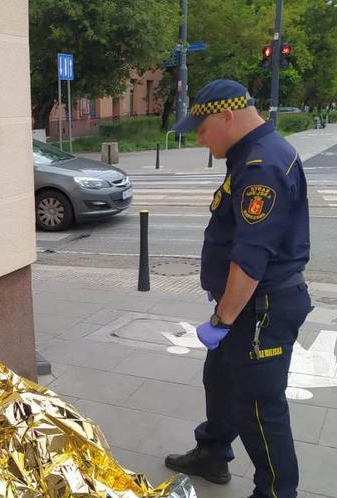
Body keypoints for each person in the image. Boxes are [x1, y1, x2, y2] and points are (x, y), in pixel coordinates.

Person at [164, 80, 312, 498]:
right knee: (221, 382)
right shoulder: (249, 154)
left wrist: (221, 319)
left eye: (202, 128)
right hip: (248, 308)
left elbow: (250, 260)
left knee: (261, 409)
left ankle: (276, 492)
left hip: (260, 309)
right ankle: (213, 453)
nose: (198, 137)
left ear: (227, 116)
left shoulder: (261, 167)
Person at [0, 321, 197, 498]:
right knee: (48, 460)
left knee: (71, 437)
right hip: (3, 435)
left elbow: (6, 379)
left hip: (31, 414)